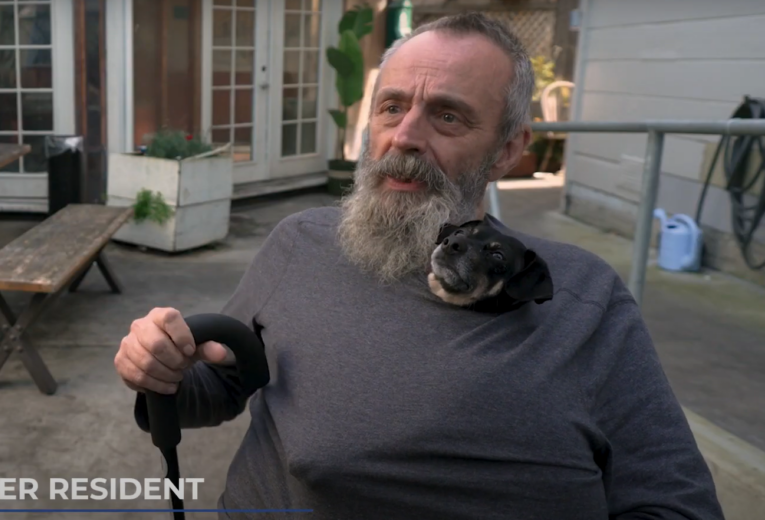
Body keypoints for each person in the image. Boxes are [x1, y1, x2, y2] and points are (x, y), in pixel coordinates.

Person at [114, 13, 724, 520]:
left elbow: (673, 501)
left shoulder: (582, 294)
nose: (405, 136)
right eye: (391, 107)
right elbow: (220, 387)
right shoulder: (298, 243)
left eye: (448, 116)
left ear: (508, 150)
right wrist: (161, 371)